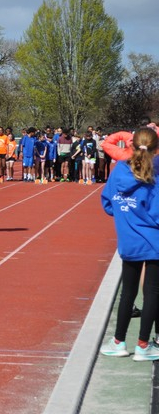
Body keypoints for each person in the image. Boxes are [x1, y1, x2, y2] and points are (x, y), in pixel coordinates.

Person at [99, 127, 159, 361]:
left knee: (128, 292)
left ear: (130, 146)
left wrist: (126, 214)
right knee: (152, 292)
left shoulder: (119, 172)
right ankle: (143, 345)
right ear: (156, 149)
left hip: (128, 240)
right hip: (154, 240)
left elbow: (107, 203)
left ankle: (118, 342)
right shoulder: (154, 174)